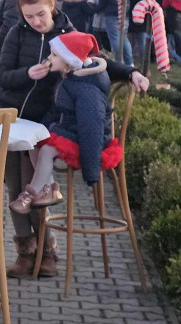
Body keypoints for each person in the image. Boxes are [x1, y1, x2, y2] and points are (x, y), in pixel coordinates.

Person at [0, 0, 149, 278]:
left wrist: (132, 72)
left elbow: (99, 62)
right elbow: (2, 77)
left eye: (41, 14)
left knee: (34, 188)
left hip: (46, 123)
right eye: (29, 16)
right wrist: (28, 73)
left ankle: (47, 251)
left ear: (52, 5)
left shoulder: (69, 35)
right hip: (13, 117)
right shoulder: (16, 33)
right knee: (13, 185)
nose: (36, 21)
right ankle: (25, 252)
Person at [9, 32, 120, 213]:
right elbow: (57, 111)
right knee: (35, 143)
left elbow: (91, 129)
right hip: (70, 131)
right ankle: (50, 188)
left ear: (70, 60)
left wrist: (91, 173)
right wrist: (41, 130)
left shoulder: (87, 90)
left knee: (46, 150)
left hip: (87, 142)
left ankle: (31, 193)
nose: (49, 58)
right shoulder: (69, 78)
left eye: (54, 55)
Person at [96, 0, 133, 66]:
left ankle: (118, 61)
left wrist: (97, 8)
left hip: (111, 11)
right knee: (124, 37)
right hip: (125, 8)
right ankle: (129, 62)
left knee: (114, 37)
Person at [126, 0, 154, 69]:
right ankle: (144, 63)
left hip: (134, 17)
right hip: (148, 18)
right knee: (143, 41)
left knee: (132, 40)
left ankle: (131, 61)